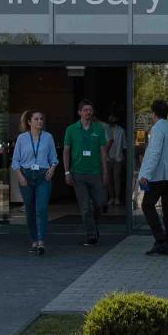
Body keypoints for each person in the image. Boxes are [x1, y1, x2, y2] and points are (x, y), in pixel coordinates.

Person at [137, 98, 168, 256]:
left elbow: (154, 153)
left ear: (153, 114)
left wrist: (145, 174)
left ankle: (160, 240)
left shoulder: (157, 129)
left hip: (159, 176)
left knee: (147, 205)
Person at [63, 100, 108, 247]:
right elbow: (66, 152)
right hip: (78, 173)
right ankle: (91, 235)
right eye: (85, 110)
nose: (88, 112)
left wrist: (105, 171)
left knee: (100, 203)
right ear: (79, 112)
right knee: (85, 207)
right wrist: (67, 172)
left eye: (90, 110)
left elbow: (103, 152)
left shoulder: (99, 128)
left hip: (95, 173)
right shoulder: (71, 129)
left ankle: (93, 226)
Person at [13, 110, 57, 256]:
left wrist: (52, 169)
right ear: (29, 122)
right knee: (30, 210)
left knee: (41, 209)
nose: (40, 121)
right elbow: (15, 161)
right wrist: (20, 176)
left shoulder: (48, 137)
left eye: (41, 119)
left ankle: (41, 241)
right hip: (26, 175)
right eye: (36, 119)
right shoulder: (22, 138)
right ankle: (34, 240)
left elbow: (54, 158)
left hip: (43, 176)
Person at [103, 112, 127, 215]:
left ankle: (117, 197)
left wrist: (124, 159)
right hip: (107, 158)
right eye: (110, 118)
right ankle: (111, 197)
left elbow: (124, 145)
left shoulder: (121, 130)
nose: (111, 120)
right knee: (109, 179)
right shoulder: (105, 129)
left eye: (113, 118)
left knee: (117, 178)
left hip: (118, 157)